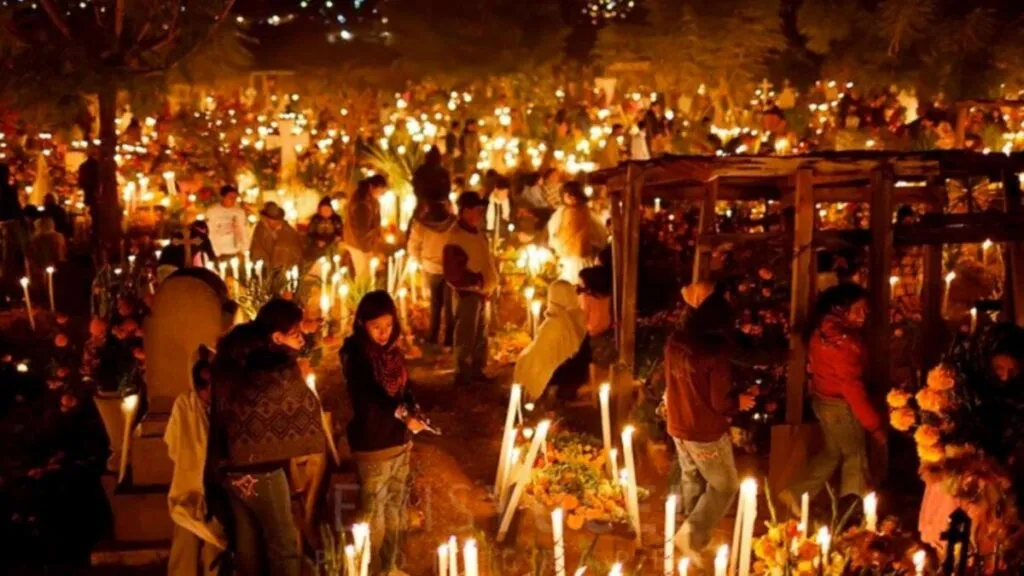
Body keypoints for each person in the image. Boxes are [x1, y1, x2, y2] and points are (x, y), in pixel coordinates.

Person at [207, 299, 325, 576]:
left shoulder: (238, 361)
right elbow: (304, 407)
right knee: (283, 546)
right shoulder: (278, 371)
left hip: (231, 469)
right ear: (277, 337)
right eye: (296, 332)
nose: (302, 337)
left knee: (248, 550)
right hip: (264, 473)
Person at [779, 284, 884, 514]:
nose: (863, 316)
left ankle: (797, 493)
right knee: (855, 456)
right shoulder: (843, 343)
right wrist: (874, 425)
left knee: (833, 452)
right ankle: (853, 510)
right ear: (841, 308)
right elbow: (852, 387)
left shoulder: (823, 329)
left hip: (823, 400)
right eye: (859, 309)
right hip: (839, 406)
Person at [342, 291, 426, 574]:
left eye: (388, 326)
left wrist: (415, 410)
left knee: (395, 509)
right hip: (374, 446)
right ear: (361, 323)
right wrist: (404, 415)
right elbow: (371, 399)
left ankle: (388, 567)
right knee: (374, 514)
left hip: (399, 443)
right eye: (376, 326)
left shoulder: (391, 353)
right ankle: (371, 570)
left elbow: (404, 388)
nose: (383, 333)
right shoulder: (357, 357)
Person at [667, 282, 752, 561]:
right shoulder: (715, 354)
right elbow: (720, 402)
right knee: (724, 485)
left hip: (678, 424)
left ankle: (689, 539)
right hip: (704, 432)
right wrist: (739, 402)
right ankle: (691, 537)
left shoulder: (676, 342)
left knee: (692, 477)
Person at [165, 345, 226, 576]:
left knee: (216, 543)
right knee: (186, 541)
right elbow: (174, 443)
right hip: (189, 484)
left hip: (217, 485)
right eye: (203, 385)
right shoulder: (184, 404)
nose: (208, 390)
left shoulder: (223, 406)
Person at [443, 192, 499, 387]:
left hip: (482, 292)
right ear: (466, 211)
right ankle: (463, 372)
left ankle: (476, 369)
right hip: (469, 293)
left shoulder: (476, 232)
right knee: (467, 333)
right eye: (477, 209)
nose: (481, 213)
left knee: (480, 334)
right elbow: (453, 272)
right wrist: (477, 281)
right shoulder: (456, 237)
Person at [514, 280, 590, 403]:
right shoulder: (578, 317)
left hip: (559, 373)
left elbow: (541, 355)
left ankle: (532, 397)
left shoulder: (554, 323)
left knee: (525, 361)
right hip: (575, 370)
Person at [407, 201, 456, 347]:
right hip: (450, 268)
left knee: (435, 303)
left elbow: (412, 246)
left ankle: (433, 335)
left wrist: (421, 260)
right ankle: (449, 337)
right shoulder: (454, 223)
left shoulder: (421, 225)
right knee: (449, 305)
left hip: (431, 267)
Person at [547, 182, 608, 283]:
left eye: (573, 194)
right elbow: (554, 232)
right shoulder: (562, 212)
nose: (571, 197)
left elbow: (597, 231)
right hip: (567, 256)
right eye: (567, 194)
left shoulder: (585, 210)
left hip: (581, 256)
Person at [344, 175, 387, 283]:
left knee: (366, 273)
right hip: (358, 243)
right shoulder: (362, 202)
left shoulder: (369, 199)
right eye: (380, 191)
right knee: (364, 275)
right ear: (372, 187)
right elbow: (361, 230)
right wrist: (367, 250)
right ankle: (362, 296)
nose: (381, 195)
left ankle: (365, 295)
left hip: (362, 243)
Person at [579, 265, 616, 389]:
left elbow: (583, 318)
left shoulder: (586, 298)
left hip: (592, 335)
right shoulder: (608, 296)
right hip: (606, 332)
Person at [249, 201, 303, 274]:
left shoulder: (288, 231)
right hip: (266, 269)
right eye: (265, 219)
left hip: (284, 270)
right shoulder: (261, 227)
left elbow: (293, 252)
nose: (264, 221)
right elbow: (257, 248)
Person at [204, 185, 248, 261]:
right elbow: (210, 232)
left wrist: (244, 249)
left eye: (235, 198)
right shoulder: (212, 211)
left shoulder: (239, 212)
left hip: (236, 250)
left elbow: (243, 231)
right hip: (220, 251)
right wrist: (216, 252)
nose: (233, 200)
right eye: (230, 197)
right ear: (223, 197)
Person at [305, 196, 343, 263]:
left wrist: (338, 237)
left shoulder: (336, 219)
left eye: (327, 209)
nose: (325, 212)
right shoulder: (315, 219)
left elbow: (340, 231)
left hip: (332, 245)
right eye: (323, 210)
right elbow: (310, 234)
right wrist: (317, 241)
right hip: (317, 247)